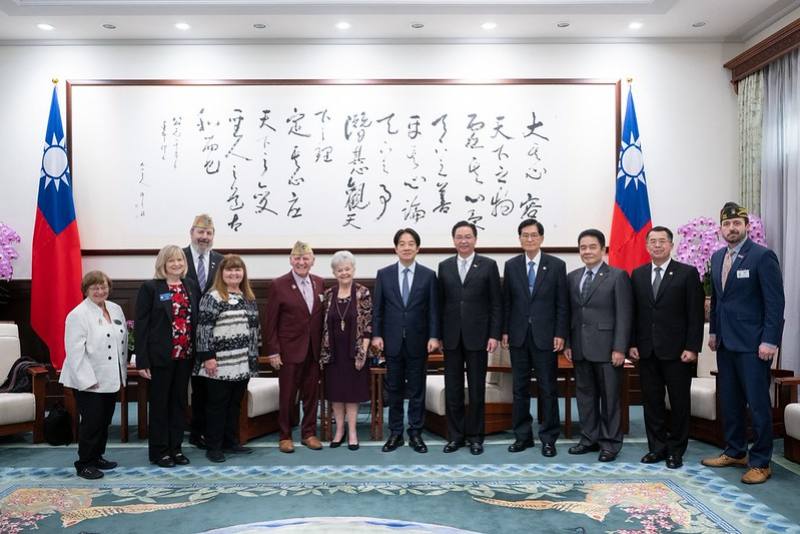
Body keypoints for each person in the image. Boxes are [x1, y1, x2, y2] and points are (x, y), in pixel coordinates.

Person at [702, 202, 785, 484]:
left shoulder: (762, 257)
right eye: (726, 224)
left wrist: (770, 341)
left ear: (747, 226)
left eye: (737, 223)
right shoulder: (715, 258)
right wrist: (713, 333)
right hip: (725, 344)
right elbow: (717, 301)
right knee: (731, 401)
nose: (732, 228)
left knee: (758, 404)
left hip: (754, 346)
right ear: (720, 228)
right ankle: (735, 450)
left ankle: (761, 462)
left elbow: (775, 303)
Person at [629, 226, 704, 469]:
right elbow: (634, 313)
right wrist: (632, 344)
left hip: (677, 352)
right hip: (647, 350)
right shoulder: (638, 274)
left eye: (662, 241)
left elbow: (695, 314)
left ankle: (676, 450)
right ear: (646, 246)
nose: (657, 245)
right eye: (653, 241)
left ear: (671, 245)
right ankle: (657, 448)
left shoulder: (687, 274)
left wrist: (692, 348)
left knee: (680, 402)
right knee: (651, 402)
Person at [502, 218, 568, 457]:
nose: (529, 239)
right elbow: (507, 302)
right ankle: (522, 436)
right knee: (519, 389)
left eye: (533, 235)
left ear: (541, 238)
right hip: (518, 336)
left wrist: (560, 333)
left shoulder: (556, 265)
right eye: (524, 235)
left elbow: (562, 303)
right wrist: (505, 331)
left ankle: (548, 438)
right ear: (519, 239)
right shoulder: (511, 266)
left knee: (547, 388)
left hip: (546, 337)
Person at [564, 229, 632, 462]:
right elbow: (571, 314)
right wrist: (569, 343)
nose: (587, 251)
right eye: (583, 247)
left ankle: (610, 444)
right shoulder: (572, 277)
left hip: (607, 349)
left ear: (603, 250)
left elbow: (624, 315)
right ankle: (589, 438)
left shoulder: (617, 276)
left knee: (610, 398)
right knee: (585, 396)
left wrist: (620, 348)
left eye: (592, 247)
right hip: (580, 348)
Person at [372, 228, 440, 454]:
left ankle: (416, 433)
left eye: (411, 243)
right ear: (396, 248)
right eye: (402, 243)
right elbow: (378, 309)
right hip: (391, 340)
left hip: (419, 341)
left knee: (417, 389)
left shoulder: (428, 275)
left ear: (418, 248)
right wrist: (377, 335)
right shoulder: (384, 274)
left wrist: (433, 336)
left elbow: (433, 310)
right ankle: (395, 433)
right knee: (394, 389)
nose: (407, 247)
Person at [438, 221, 502, 455]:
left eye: (468, 236)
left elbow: (496, 303)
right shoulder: (444, 266)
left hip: (479, 337)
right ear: (453, 240)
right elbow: (440, 304)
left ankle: (476, 437)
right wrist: (439, 335)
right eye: (459, 237)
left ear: (475, 239)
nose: (463, 241)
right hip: (451, 338)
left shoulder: (488, 265)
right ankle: (455, 436)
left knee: (476, 389)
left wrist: (494, 334)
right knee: (453, 388)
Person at [135, 245, 200, 467]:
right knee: (160, 405)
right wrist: (142, 360)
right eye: (171, 261)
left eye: (180, 260)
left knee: (179, 404)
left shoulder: (190, 285)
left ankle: (176, 448)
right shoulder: (151, 288)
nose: (176, 264)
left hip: (185, 356)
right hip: (160, 358)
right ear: (163, 263)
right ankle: (160, 451)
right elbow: (141, 327)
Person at [60, 271, 128, 480]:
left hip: (111, 377)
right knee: (91, 422)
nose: (100, 291)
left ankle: (97, 456)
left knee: (105, 420)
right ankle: (84, 463)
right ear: (86, 291)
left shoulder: (115, 309)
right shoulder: (78, 314)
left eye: (103, 286)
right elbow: (75, 352)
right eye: (95, 288)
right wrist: (87, 381)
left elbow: (121, 342)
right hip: (89, 379)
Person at [195, 254, 260, 463]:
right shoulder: (212, 297)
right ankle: (213, 446)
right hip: (218, 363)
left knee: (234, 405)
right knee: (216, 406)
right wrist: (208, 357)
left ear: (243, 273)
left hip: (241, 362)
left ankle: (231, 442)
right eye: (229, 270)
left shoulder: (248, 297)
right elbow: (203, 330)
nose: (234, 273)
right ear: (221, 273)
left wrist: (252, 361)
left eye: (238, 270)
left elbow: (254, 331)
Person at [265, 241, 325, 453]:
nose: (301, 262)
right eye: (297, 258)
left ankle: (309, 433)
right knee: (287, 395)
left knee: (311, 395)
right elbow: (270, 321)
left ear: (312, 261)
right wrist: (273, 350)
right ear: (291, 260)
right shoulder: (278, 284)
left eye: (305, 258)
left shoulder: (320, 283)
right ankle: (285, 435)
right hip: (288, 350)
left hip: (314, 350)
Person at [320, 251, 372, 451]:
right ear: (334, 272)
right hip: (333, 351)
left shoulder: (362, 292)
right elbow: (322, 324)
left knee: (351, 393)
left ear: (353, 269)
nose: (344, 272)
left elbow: (368, 324)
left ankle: (352, 432)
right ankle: (339, 430)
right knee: (336, 392)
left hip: (355, 351)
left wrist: (363, 352)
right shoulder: (329, 294)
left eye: (347, 269)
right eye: (339, 270)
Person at [183, 214, 224, 451]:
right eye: (201, 232)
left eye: (209, 233)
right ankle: (183, 428)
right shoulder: (179, 257)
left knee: (205, 387)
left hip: (212, 335)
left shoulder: (220, 260)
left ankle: (202, 431)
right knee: (181, 386)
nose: (204, 237)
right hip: (183, 334)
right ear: (191, 232)